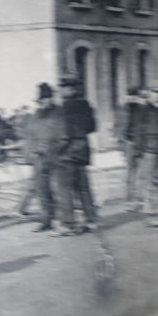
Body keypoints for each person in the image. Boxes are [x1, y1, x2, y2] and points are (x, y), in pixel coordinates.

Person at [125, 83, 158, 227]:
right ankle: (151, 215)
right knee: (149, 183)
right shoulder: (143, 110)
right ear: (149, 93)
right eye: (156, 92)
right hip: (148, 150)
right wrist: (138, 149)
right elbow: (138, 131)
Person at [54, 77, 98, 235]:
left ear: (67, 90)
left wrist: (56, 152)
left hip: (67, 153)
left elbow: (63, 135)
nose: (61, 91)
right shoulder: (85, 105)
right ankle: (91, 220)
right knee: (84, 188)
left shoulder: (63, 108)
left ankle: (68, 224)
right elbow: (92, 127)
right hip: (83, 150)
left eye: (62, 88)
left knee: (65, 189)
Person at [19, 83, 61, 231]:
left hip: (55, 157)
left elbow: (60, 135)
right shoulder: (36, 115)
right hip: (39, 159)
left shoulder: (59, 113)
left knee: (57, 189)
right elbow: (30, 136)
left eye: (46, 98)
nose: (43, 102)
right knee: (42, 191)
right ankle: (46, 220)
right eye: (41, 100)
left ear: (51, 98)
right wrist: (30, 155)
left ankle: (61, 220)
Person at [117, 87, 144, 211]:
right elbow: (118, 128)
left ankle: (140, 199)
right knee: (130, 173)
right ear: (126, 96)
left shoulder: (142, 110)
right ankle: (129, 200)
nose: (132, 97)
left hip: (140, 143)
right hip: (128, 143)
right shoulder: (122, 109)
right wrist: (121, 145)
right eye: (130, 95)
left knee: (142, 173)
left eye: (134, 95)